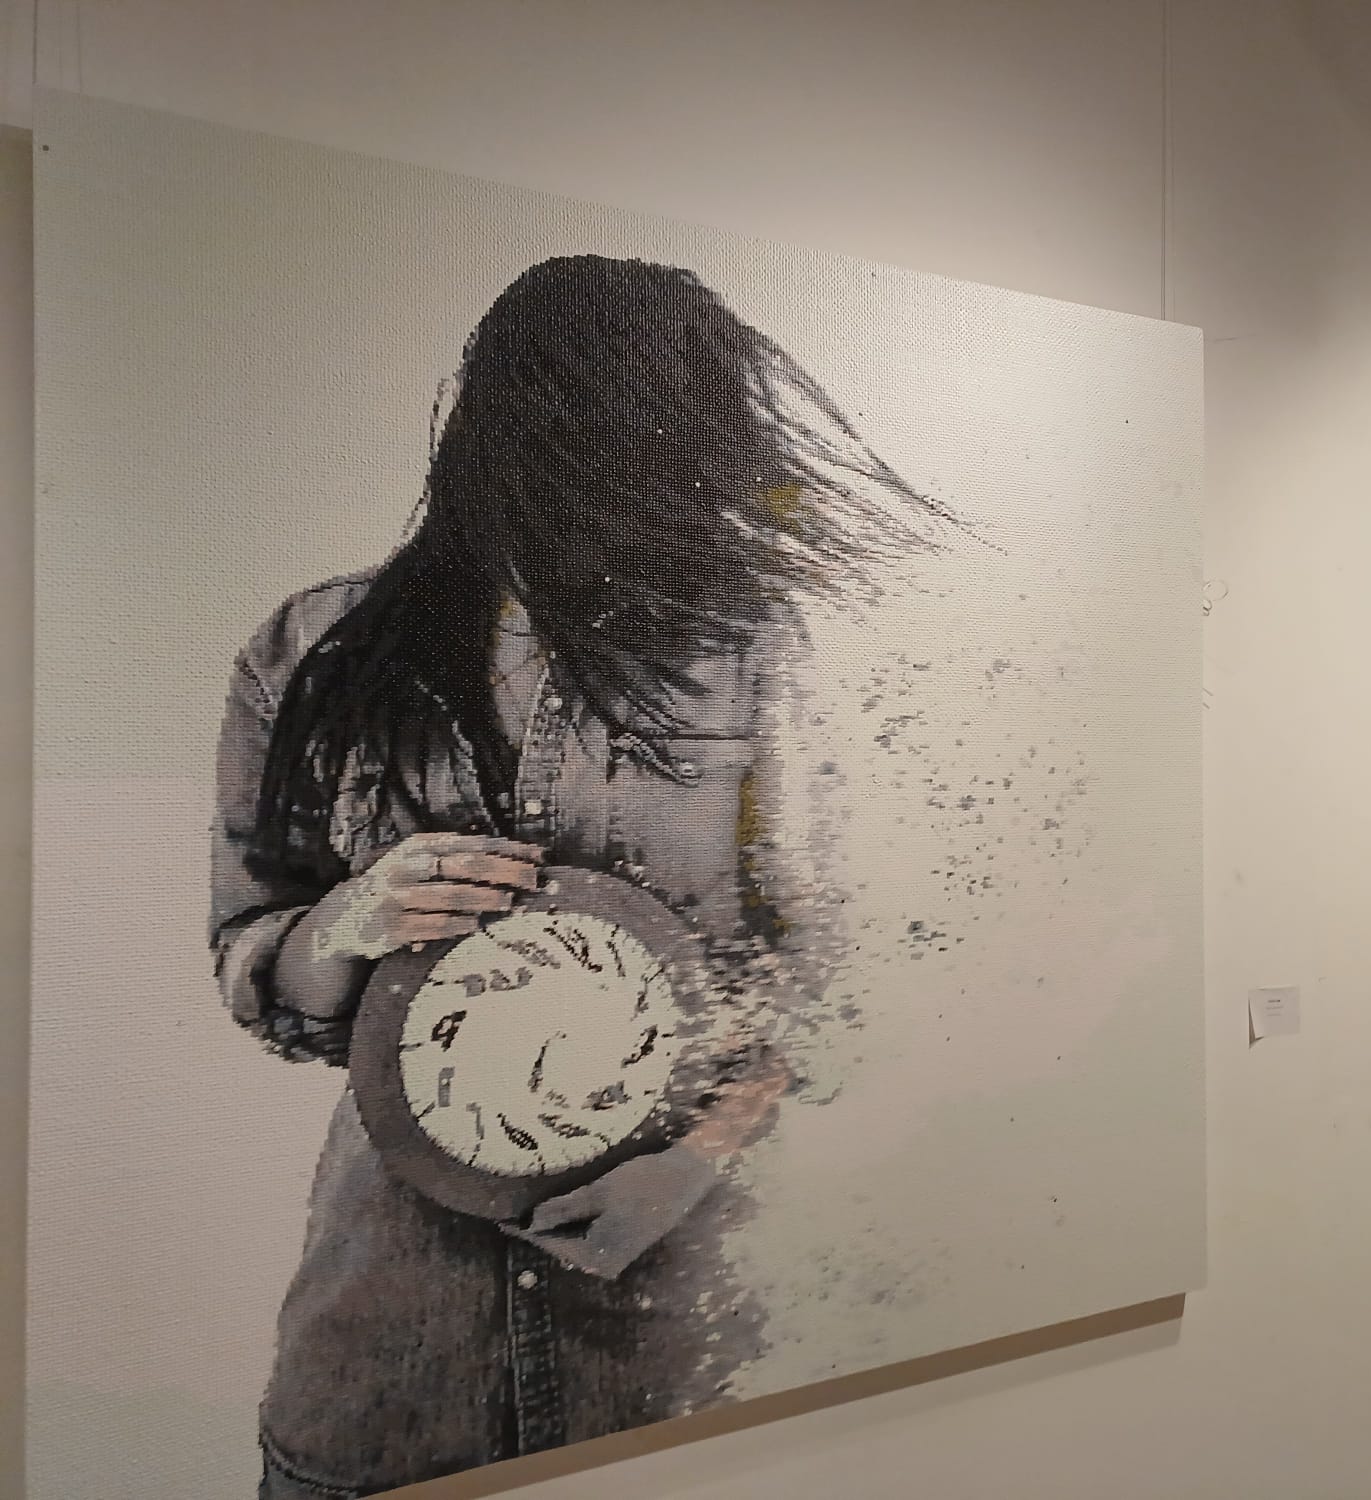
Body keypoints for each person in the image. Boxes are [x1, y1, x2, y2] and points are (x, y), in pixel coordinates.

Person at [209, 255, 945, 1499]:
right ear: (496, 420)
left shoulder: (760, 647)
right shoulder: (307, 649)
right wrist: (346, 921)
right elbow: (248, 951)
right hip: (384, 1357)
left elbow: (843, 975)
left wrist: (700, 1152)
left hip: (686, 1338)